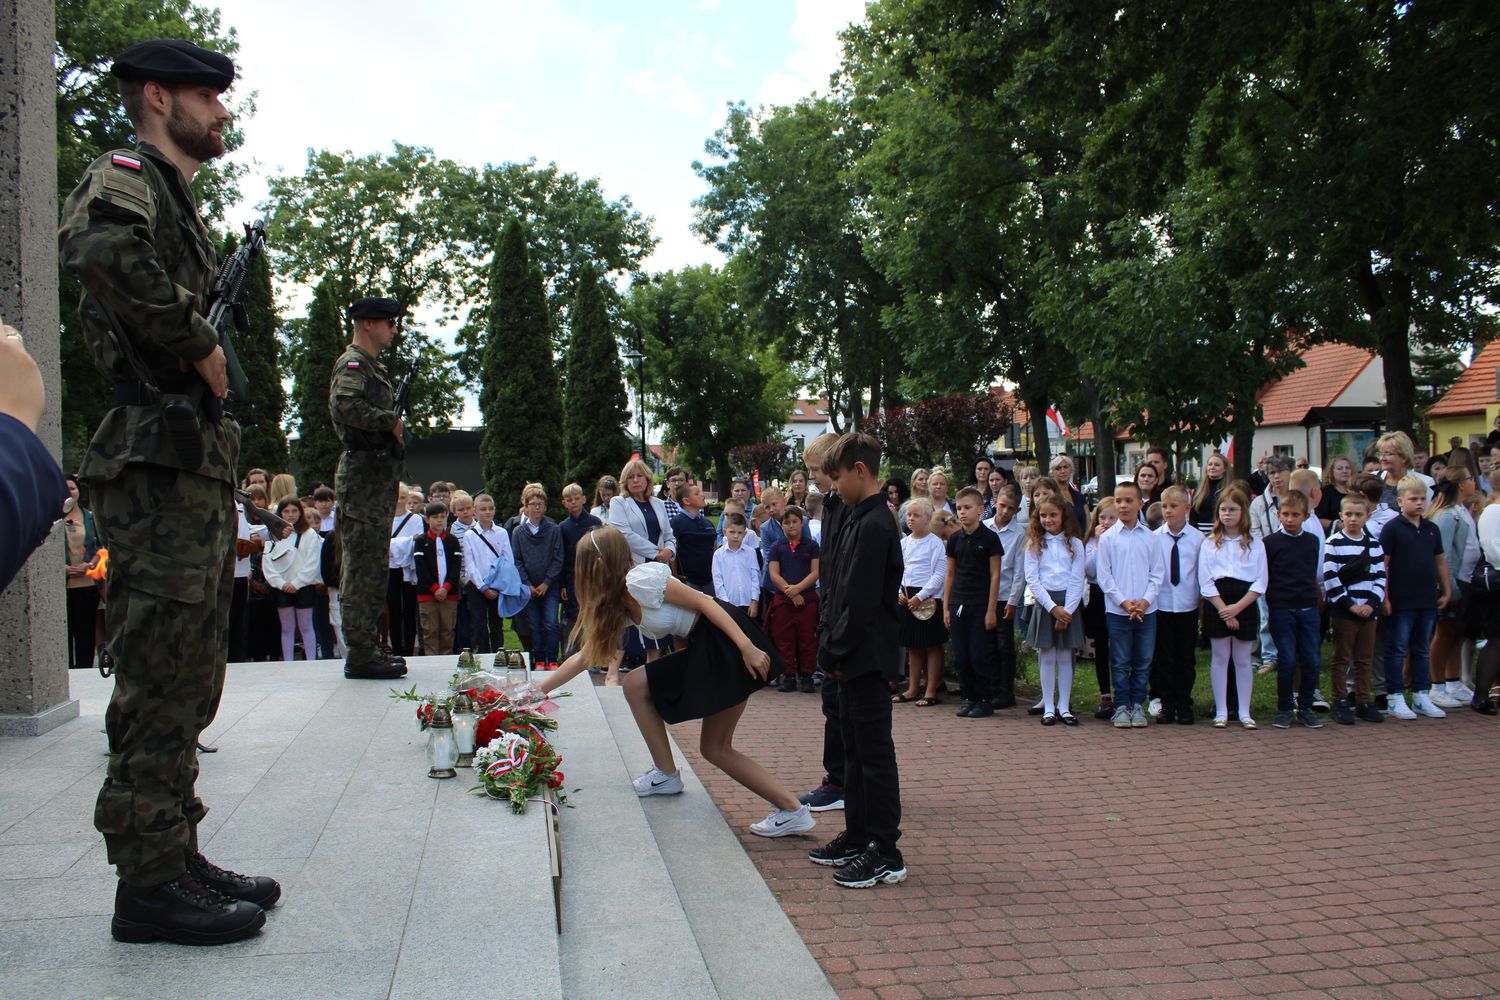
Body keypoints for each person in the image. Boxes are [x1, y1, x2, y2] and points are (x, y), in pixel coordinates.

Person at [58, 38, 273, 945]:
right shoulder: (125, 175)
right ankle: (145, 888)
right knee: (156, 675)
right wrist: (200, 341)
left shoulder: (175, 198)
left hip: (187, 461)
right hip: (153, 462)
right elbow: (96, 248)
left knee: (190, 675)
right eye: (207, 96)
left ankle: (174, 851)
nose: (222, 112)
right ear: (157, 96)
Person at [536, 528, 815, 839]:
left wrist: (746, 646)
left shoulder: (640, 580)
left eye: (582, 563)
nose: (578, 572)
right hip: (706, 645)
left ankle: (792, 810)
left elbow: (706, 603)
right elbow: (584, 657)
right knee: (637, 685)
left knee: (715, 748)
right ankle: (667, 774)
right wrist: (534, 693)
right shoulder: (618, 600)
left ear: (599, 564)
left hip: (724, 641)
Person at [807, 433, 907, 888]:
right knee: (853, 751)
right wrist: (829, 639)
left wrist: (834, 648)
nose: (833, 485)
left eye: (838, 476)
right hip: (848, 655)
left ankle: (885, 850)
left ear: (860, 471)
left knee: (874, 755)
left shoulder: (876, 524)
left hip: (866, 656)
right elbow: (838, 585)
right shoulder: (854, 516)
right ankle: (858, 834)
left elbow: (862, 601)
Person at [330, 295, 409, 680]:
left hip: (374, 481)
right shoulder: (354, 363)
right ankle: (360, 652)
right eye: (388, 323)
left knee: (374, 567)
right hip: (362, 481)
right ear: (367, 324)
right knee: (362, 568)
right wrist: (388, 421)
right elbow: (343, 406)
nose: (393, 330)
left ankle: (367, 646)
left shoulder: (371, 366)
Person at [795, 433, 848, 815]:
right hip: (831, 615)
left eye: (816, 470)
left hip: (843, 624)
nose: (812, 477)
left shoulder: (849, 509)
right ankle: (839, 777)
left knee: (842, 707)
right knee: (833, 705)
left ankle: (841, 782)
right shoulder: (830, 505)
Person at [1380, 475, 1452, 720]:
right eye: (1414, 499)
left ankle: (1421, 693)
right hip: (1401, 599)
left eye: (1423, 498)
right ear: (1401, 501)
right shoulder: (1392, 529)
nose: (1420, 503)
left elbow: (1439, 561)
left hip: (1426, 598)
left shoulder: (1431, 529)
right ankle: (1394, 695)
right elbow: (1384, 565)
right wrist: (1385, 597)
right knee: (1398, 647)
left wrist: (1446, 589)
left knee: (1421, 648)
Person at [1097, 481, 1166, 728]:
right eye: (1119, 501)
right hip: (1118, 611)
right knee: (1120, 661)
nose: (1123, 505)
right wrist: (1125, 603)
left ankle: (1137, 704)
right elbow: (1104, 577)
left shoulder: (1150, 538)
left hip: (1147, 611)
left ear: (1140, 504)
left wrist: (1145, 602)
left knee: (1143, 661)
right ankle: (1121, 706)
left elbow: (1157, 574)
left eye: (1128, 501)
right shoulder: (1108, 539)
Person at [1198, 486, 1266, 729]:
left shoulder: (1255, 544)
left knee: (1243, 659)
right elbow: (1205, 581)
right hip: (1218, 601)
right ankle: (1221, 711)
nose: (1227, 514)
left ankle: (1244, 711)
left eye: (1233, 510)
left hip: (1244, 601)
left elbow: (1260, 581)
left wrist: (1237, 608)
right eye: (1223, 510)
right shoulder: (1209, 543)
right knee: (1219, 657)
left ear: (1243, 512)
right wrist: (1224, 610)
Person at [1262, 492, 1325, 730]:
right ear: (1278, 514)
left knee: (1311, 660)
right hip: (1282, 608)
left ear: (1305, 516)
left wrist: (1318, 599)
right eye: (1285, 514)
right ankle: (1284, 708)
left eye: (1295, 515)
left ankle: (1306, 707)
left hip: (1308, 607)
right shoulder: (1270, 543)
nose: (1290, 519)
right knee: (1287, 660)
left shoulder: (1312, 541)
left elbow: (1314, 573)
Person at [1323, 494, 1386, 724]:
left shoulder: (1374, 545)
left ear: (1367, 516)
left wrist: (1371, 604)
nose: (1353, 519)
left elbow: (1380, 577)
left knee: (1364, 658)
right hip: (1344, 610)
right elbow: (1330, 578)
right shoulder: (1334, 543)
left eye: (1358, 515)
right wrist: (1350, 605)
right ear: (1341, 516)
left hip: (1369, 610)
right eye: (1348, 514)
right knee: (1342, 657)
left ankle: (1363, 700)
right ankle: (1339, 700)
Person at [1024, 495, 1087, 725]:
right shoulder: (1034, 544)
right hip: (1046, 603)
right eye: (1043, 515)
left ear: (1063, 516)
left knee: (1065, 656)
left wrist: (1066, 611)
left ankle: (1064, 706)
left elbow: (1077, 579)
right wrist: (1053, 608)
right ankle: (1048, 707)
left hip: (1069, 603)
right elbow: (1032, 579)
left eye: (1053, 515)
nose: (1048, 519)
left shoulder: (1075, 543)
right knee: (1048, 655)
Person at [944, 486, 1002, 718]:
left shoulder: (990, 538)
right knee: (961, 655)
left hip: (980, 603)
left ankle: (984, 699)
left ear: (980, 510)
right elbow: (950, 574)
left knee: (979, 654)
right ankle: (967, 696)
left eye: (967, 508)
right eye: (959, 508)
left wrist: (991, 610)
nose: (962, 512)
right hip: (958, 601)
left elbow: (995, 575)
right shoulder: (954, 539)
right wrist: (946, 607)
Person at [1427, 468, 1479, 709]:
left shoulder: (1461, 510)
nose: (1473, 482)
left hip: (1465, 580)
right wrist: (1449, 586)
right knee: (1444, 633)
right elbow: (1444, 555)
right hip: (1452, 583)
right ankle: (1437, 686)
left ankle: (1453, 682)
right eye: (1469, 479)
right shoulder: (1447, 515)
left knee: (1457, 632)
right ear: (1460, 484)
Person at [1152, 486, 1203, 724]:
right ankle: (1166, 703)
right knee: (1164, 658)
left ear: (1187, 508)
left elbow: (1201, 573)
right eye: (1165, 506)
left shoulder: (1198, 539)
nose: (1168, 511)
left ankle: (1184, 703)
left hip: (1187, 605)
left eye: (1174, 506)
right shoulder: (1154, 538)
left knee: (1185, 658)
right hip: (1162, 605)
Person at [895, 498, 947, 706]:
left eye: (916, 515)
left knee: (932, 645)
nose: (911, 519)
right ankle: (913, 687)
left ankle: (931, 689)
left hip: (927, 598)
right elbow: (898, 570)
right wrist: (898, 591)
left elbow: (939, 574)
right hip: (907, 597)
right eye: (909, 515)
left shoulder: (935, 543)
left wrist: (922, 595)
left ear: (928, 518)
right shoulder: (904, 543)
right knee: (913, 645)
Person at [261, 496, 323, 661]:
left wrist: (297, 583)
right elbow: (267, 563)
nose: (290, 515)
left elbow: (313, 563)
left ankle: (311, 662)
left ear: (300, 512)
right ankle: (288, 663)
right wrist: (281, 584)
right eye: (286, 511)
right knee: (287, 628)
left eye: (294, 511)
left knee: (306, 626)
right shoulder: (272, 535)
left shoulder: (309, 534)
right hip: (281, 588)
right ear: (280, 513)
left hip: (304, 586)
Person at [768, 506, 821, 693]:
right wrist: (790, 592)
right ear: (782, 525)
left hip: (806, 600)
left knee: (807, 639)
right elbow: (774, 574)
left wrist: (798, 589)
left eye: (795, 521)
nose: (791, 526)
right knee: (784, 639)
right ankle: (789, 675)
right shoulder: (777, 547)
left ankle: (807, 676)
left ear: (802, 523)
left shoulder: (812, 546)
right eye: (787, 522)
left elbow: (815, 572)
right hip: (784, 601)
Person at [512, 483, 563, 667]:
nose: (536, 508)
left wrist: (546, 583)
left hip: (549, 586)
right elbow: (516, 560)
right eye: (533, 504)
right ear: (526, 507)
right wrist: (528, 584)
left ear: (545, 507)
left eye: (540, 504)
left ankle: (552, 658)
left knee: (551, 623)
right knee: (533, 624)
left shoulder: (554, 529)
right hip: (529, 587)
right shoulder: (518, 532)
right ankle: (540, 659)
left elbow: (558, 558)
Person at [61, 474, 102, 670]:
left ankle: (84, 671)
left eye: (72, 488)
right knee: (64, 634)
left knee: (85, 634)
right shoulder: (52, 519)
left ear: (78, 491)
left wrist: (89, 565)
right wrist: (62, 568)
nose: (69, 492)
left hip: (87, 583)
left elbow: (102, 547)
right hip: (62, 586)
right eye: (65, 489)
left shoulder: (90, 518)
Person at [988, 483, 1024, 708]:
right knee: (987, 644)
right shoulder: (984, 527)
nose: (1005, 511)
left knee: (1004, 645)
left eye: (1011, 508)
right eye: (1002, 505)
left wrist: (1013, 601)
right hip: (984, 596)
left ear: (1017, 510)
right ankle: (989, 687)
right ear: (995, 502)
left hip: (1004, 595)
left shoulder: (1019, 534)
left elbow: (1019, 572)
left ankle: (1005, 690)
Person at [1082, 497, 1119, 719]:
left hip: (1119, 596)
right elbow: (1089, 570)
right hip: (1098, 597)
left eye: (1111, 518)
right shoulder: (1091, 541)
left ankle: (1124, 694)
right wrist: (1098, 543)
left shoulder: (1123, 540)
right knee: (1102, 648)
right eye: (1102, 517)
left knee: (1120, 648)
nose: (1106, 522)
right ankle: (1105, 695)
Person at [412, 500, 462, 656]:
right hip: (428, 594)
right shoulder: (421, 541)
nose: (439, 520)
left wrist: (446, 588)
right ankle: (431, 661)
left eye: (442, 516)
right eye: (435, 517)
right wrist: (435, 589)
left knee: (447, 630)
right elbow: (421, 570)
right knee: (430, 631)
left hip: (449, 593)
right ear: (427, 519)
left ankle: (446, 660)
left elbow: (456, 567)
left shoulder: (452, 541)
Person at [1468, 484, 1500, 714]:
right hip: (1496, 585)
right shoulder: (1493, 511)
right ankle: (1480, 697)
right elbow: (1493, 550)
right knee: (1497, 640)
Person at [558, 483, 603, 647]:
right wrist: (562, 584)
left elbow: (601, 549)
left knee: (595, 613)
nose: (574, 502)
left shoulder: (594, 522)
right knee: (574, 616)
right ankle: (577, 651)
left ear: (583, 499)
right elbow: (561, 556)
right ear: (564, 503)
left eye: (577, 498)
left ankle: (597, 650)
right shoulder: (563, 527)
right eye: (569, 500)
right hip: (572, 578)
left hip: (593, 576)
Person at [387, 487, 425, 658]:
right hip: (390, 569)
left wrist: (394, 545)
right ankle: (396, 648)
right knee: (393, 611)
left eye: (402, 497)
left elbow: (416, 541)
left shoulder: (415, 519)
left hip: (409, 569)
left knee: (409, 610)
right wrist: (404, 542)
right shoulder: (385, 518)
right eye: (396, 497)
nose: (399, 501)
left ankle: (409, 649)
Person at [669, 480, 716, 595]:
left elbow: (714, 548)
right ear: (686, 501)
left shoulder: (708, 523)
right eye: (697, 494)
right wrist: (675, 575)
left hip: (711, 580)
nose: (702, 496)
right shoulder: (676, 523)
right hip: (688, 581)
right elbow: (672, 551)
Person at [712, 513, 761, 618]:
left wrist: (754, 601)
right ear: (724, 532)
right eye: (732, 532)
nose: (736, 536)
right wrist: (726, 604)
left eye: (740, 532)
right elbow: (718, 581)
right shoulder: (718, 555)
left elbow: (755, 577)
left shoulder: (750, 552)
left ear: (745, 534)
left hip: (748, 603)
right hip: (728, 603)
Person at [1316, 455, 1356, 534]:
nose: (1344, 471)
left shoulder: (1357, 491)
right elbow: (1318, 519)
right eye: (1340, 468)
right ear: (1332, 471)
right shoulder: (1325, 492)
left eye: (1347, 468)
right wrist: (1338, 525)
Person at [1192, 451, 1229, 533]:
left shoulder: (1230, 489)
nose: (1212, 467)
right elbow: (1193, 514)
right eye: (1210, 464)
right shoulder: (1199, 489)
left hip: (1221, 532)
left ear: (1225, 469)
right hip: (1200, 533)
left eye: (1217, 465)